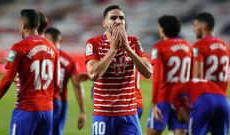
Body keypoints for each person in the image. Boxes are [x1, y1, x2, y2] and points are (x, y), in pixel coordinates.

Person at [0, 9, 60, 135]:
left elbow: (7, 79)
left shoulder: (18, 47)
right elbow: (57, 84)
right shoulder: (52, 48)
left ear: (23, 25)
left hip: (26, 110)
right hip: (48, 112)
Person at [85, 5, 152, 135]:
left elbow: (148, 72)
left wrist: (127, 48)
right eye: (113, 18)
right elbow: (93, 74)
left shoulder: (133, 42)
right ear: (104, 23)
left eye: (121, 18)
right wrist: (113, 49)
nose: (118, 21)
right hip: (104, 113)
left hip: (129, 113)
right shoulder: (94, 43)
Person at [147, 15, 192, 135]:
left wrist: (154, 102)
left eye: (159, 27)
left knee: (151, 133)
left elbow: (157, 76)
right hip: (182, 98)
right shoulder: (189, 47)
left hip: (164, 97)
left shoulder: (159, 47)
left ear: (163, 29)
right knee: (180, 132)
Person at [44, 27, 86, 135]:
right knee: (56, 132)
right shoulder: (69, 60)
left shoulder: (41, 56)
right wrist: (82, 111)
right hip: (61, 102)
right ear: (61, 40)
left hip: (42, 100)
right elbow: (77, 85)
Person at [192, 12, 230, 93]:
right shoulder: (226, 45)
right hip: (223, 98)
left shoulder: (199, 45)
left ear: (204, 26)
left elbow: (198, 75)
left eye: (195, 26)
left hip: (206, 96)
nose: (194, 29)